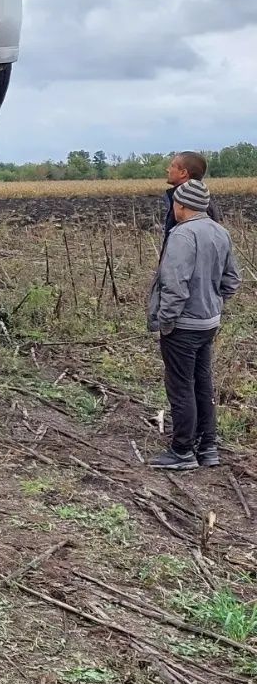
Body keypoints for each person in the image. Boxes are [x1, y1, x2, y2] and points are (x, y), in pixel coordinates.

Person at [147, 179, 240, 469]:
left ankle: (182, 451)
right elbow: (232, 280)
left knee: (181, 386)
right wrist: (212, 302)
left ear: (182, 205)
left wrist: (166, 321)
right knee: (202, 383)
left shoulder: (182, 235)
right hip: (208, 323)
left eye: (175, 202)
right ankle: (208, 447)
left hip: (183, 326)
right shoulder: (220, 231)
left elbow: (175, 285)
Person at [165, 152, 220, 237]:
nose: (167, 170)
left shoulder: (191, 202)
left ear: (183, 173)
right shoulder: (201, 199)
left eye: (172, 166)